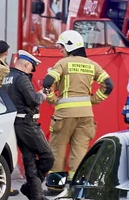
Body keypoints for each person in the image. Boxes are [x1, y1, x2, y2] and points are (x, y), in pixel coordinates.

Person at [41, 30, 113, 191]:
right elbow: (109, 85)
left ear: (69, 46)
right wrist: (93, 100)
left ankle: (55, 185)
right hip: (86, 115)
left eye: (62, 46)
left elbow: (47, 82)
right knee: (80, 150)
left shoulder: (63, 63)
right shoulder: (92, 65)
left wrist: (53, 100)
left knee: (58, 148)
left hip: (64, 115)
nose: (60, 50)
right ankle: (77, 186)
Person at [1, 50, 53, 200]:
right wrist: (42, 95)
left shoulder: (7, 77)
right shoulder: (22, 79)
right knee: (47, 156)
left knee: (30, 159)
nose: (32, 72)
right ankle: (31, 188)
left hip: (16, 123)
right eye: (32, 68)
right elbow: (32, 100)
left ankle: (36, 196)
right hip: (27, 124)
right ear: (25, 64)